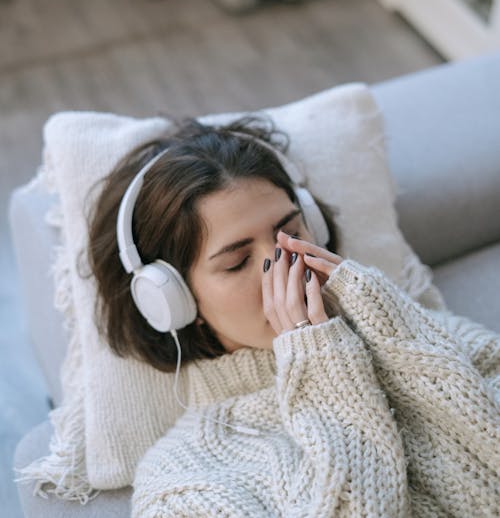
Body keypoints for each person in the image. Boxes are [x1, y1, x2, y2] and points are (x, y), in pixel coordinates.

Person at [88, 114, 500, 518]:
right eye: (237, 262)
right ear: (173, 300)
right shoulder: (181, 485)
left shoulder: (421, 333)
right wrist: (321, 366)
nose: (286, 266)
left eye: (291, 234)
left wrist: (390, 328)